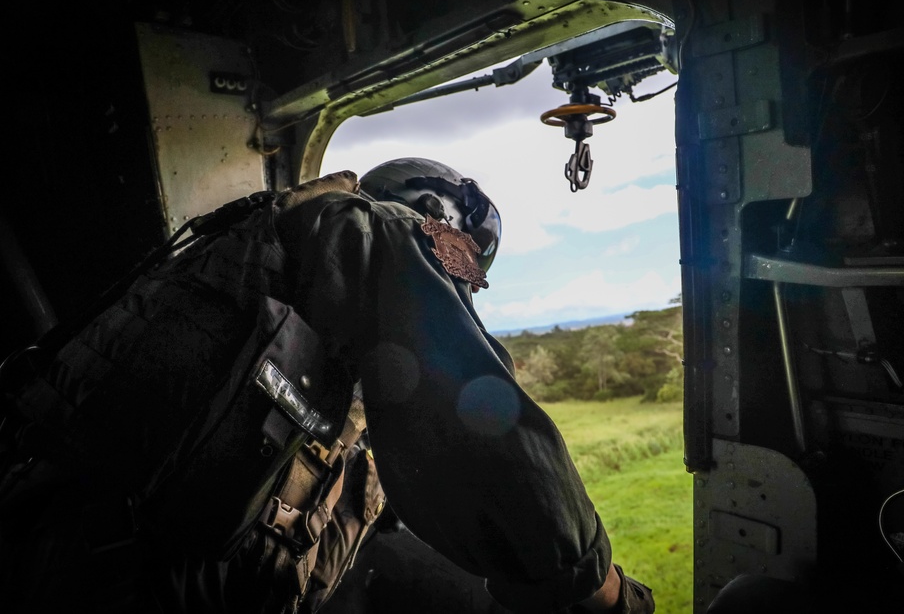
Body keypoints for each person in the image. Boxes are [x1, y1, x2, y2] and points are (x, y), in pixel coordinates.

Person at [0, 157, 654, 613]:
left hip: (67, 543)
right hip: (143, 577)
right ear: (440, 218)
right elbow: (484, 437)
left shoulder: (278, 246)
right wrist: (597, 584)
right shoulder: (394, 230)